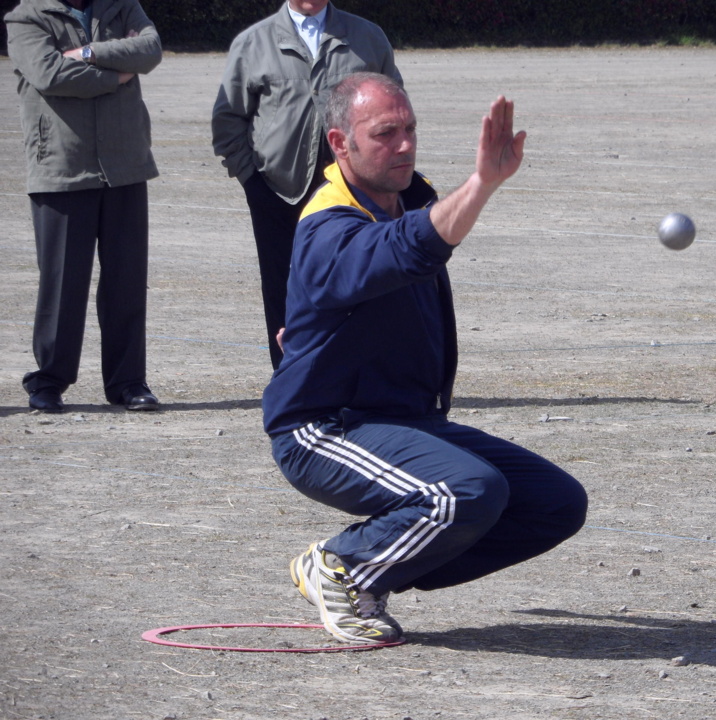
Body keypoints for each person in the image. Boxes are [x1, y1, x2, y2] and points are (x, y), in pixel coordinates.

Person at [263, 72, 589, 645]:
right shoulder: (327, 224)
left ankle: (382, 566)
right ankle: (344, 567)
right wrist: (482, 184)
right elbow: (402, 250)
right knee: (463, 490)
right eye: (385, 133)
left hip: (405, 420)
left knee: (556, 503)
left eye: (410, 129)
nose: (405, 145)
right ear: (340, 143)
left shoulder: (412, 195)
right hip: (323, 428)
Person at [211, 0, 401, 370]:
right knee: (281, 291)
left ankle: (355, 377)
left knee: (356, 282)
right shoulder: (253, 43)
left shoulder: (368, 37)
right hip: (277, 191)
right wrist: (251, 180)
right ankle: (291, 379)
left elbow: (394, 110)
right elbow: (228, 119)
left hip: (353, 195)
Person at [4, 0, 162, 413]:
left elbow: (150, 50)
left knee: (127, 282)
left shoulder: (123, 6)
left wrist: (88, 53)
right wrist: (119, 73)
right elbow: (50, 74)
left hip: (126, 165)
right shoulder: (26, 17)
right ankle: (49, 380)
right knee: (63, 285)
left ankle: (128, 382)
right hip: (61, 168)